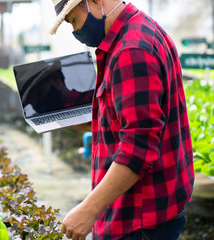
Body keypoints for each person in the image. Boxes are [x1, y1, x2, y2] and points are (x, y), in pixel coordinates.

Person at [49, 0, 195, 239]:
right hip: (154, 210)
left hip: (138, 220)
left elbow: (139, 146)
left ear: (95, 2)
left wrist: (88, 210)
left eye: (74, 20)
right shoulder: (142, 29)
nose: (75, 31)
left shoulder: (131, 50)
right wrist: (95, 120)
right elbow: (138, 120)